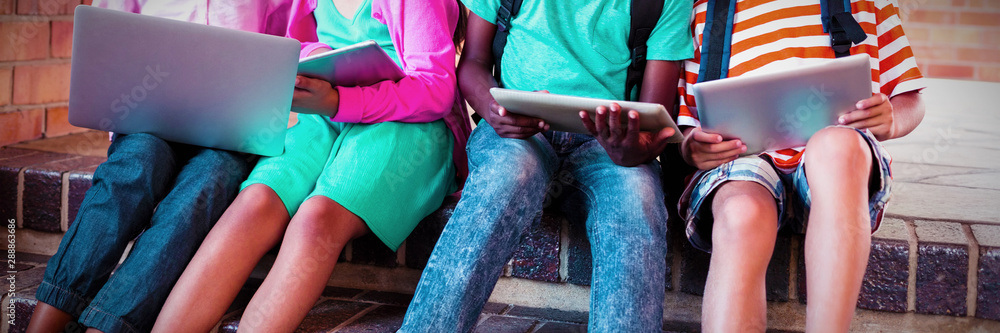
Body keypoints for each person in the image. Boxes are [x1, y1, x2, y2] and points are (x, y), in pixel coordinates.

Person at [151, 0, 471, 331]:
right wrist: (314, 57)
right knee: (255, 201)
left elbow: (435, 90)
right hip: (327, 112)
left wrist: (337, 101)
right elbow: (296, 41)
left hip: (410, 123)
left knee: (316, 218)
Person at [399, 1, 692, 331]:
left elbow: (654, 116)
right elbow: (473, 63)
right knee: (505, 177)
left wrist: (631, 151)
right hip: (518, 134)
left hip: (607, 149)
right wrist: (492, 106)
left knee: (636, 199)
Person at [24, 1, 292, 333]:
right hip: (148, 114)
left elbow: (285, 48)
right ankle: (46, 322)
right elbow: (109, 37)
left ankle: (106, 325)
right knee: (132, 167)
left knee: (205, 185)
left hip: (228, 129)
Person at [675, 0, 926, 331]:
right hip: (746, 163)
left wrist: (892, 120)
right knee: (740, 214)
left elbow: (910, 98)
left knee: (837, 146)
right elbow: (690, 122)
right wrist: (692, 147)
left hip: (835, 168)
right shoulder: (705, 11)